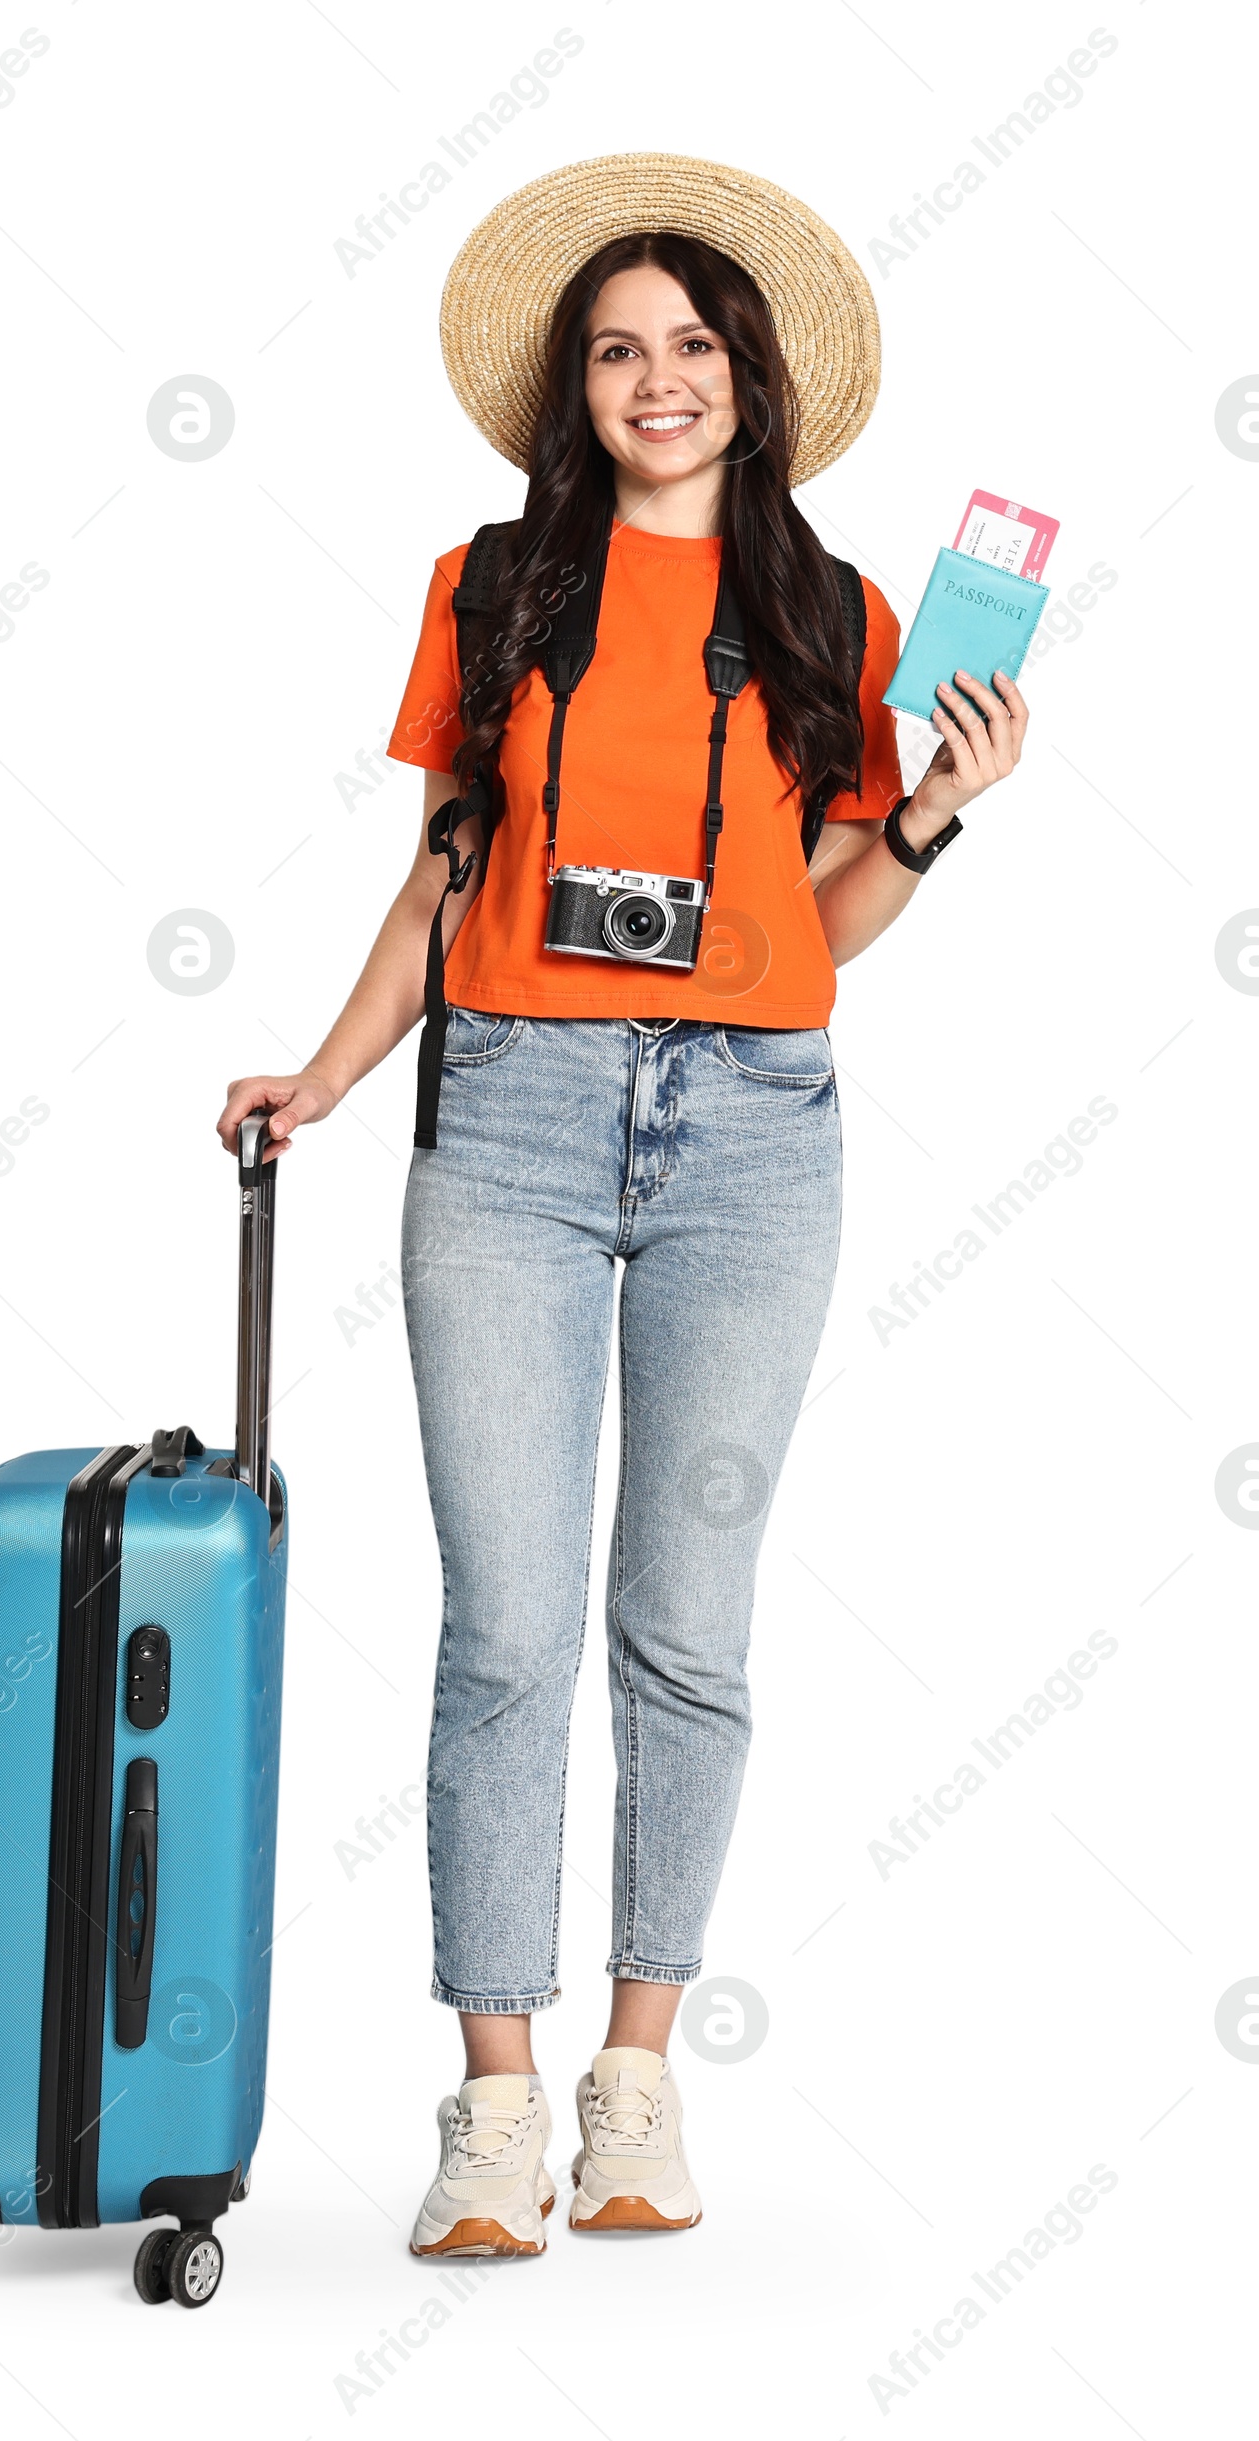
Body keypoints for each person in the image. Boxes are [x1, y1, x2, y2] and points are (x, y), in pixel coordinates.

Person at [218, 154, 1028, 2255]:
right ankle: (492, 2102)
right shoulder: (490, 594)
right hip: (504, 1120)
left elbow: (818, 930)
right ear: (570, 393)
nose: (653, 381)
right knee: (503, 1631)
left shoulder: (827, 614)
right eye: (613, 352)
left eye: (687, 347)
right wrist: (321, 1075)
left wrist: (926, 818)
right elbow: (439, 871)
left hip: (753, 1132)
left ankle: (637, 2079)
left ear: (747, 381)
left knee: (685, 1629)